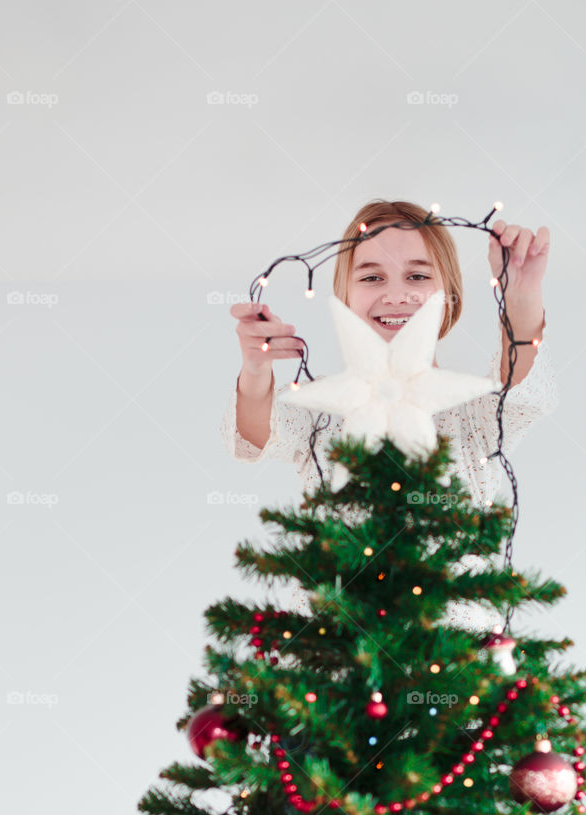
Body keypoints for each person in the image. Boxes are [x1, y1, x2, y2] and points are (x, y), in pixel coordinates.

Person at [220, 199, 559, 633]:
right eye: (372, 277)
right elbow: (255, 433)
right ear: (344, 296)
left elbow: (522, 391)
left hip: (455, 657)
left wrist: (522, 296)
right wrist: (255, 368)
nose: (396, 293)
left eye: (417, 275)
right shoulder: (322, 407)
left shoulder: (470, 410)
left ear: (448, 295)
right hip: (337, 657)